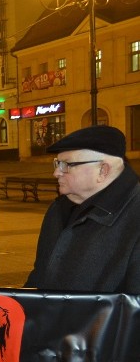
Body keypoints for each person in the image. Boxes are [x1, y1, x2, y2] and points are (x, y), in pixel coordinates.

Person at [25, 125, 140, 293]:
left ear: (103, 170)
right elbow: (41, 273)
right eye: (57, 164)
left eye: (66, 165)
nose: (56, 173)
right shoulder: (58, 209)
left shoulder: (135, 217)